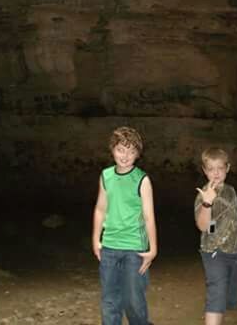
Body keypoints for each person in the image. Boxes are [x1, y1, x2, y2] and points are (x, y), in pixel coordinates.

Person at [92, 126, 157, 325]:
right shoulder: (106, 176)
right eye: (121, 149)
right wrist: (96, 239)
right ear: (112, 150)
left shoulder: (142, 180)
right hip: (110, 246)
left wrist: (152, 249)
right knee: (110, 300)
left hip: (134, 248)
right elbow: (100, 209)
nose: (125, 155)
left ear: (138, 154)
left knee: (133, 300)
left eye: (131, 151)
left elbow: (148, 217)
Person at [194, 147, 237, 325]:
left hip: (234, 252)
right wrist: (207, 203)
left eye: (220, 168)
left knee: (228, 297)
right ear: (205, 170)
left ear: (227, 168)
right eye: (211, 168)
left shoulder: (231, 190)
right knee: (217, 293)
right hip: (214, 252)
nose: (216, 173)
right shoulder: (203, 195)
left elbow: (232, 220)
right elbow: (203, 226)